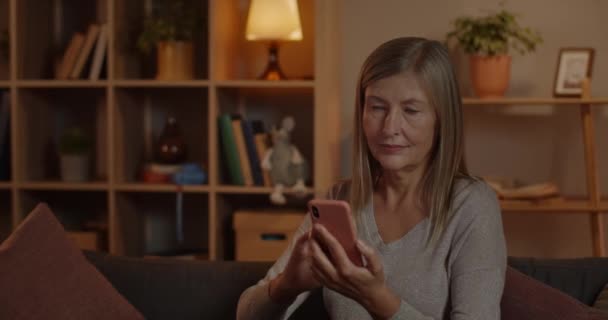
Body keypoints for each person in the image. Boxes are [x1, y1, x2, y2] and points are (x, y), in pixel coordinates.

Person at [236, 37, 506, 320]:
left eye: (411, 110)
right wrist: (286, 286)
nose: (390, 128)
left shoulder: (472, 204)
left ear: (442, 119)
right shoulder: (338, 201)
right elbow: (245, 314)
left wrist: (379, 300)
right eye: (377, 107)